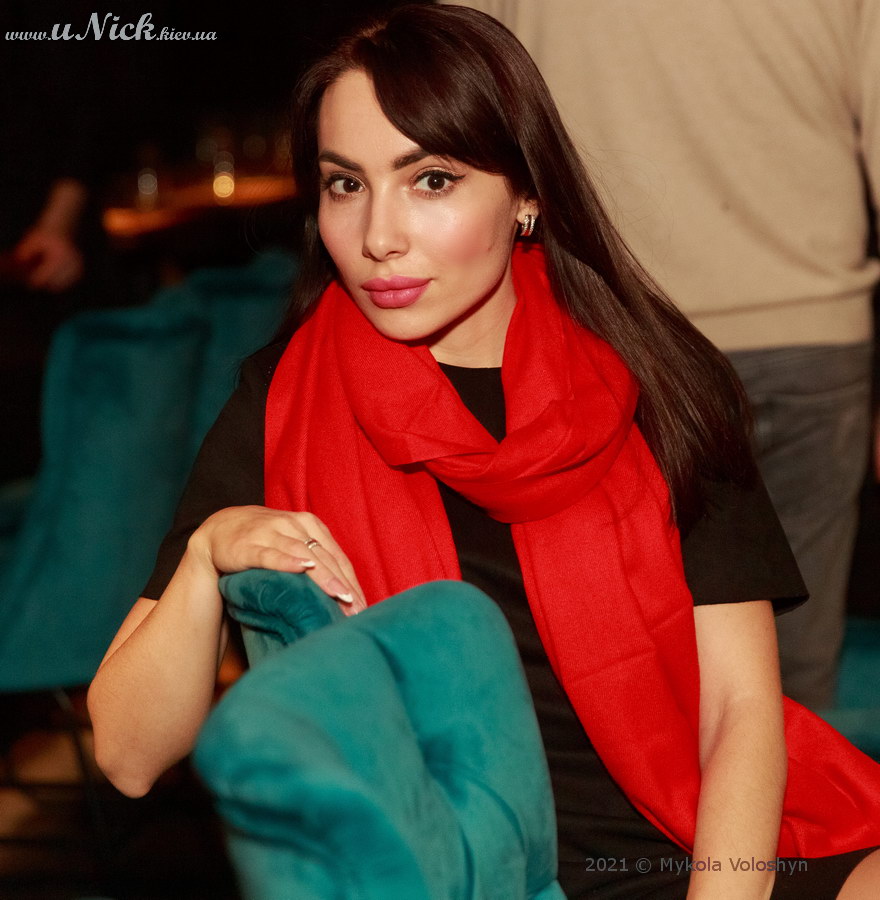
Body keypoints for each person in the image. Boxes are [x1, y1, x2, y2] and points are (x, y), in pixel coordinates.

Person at [88, 6, 880, 898]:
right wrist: (205, 556)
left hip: (700, 849)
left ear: (527, 195)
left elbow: (740, 711)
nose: (379, 236)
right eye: (346, 184)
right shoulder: (281, 402)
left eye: (431, 180)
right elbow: (126, 754)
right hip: (474, 873)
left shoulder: (658, 379)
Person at [444, 0, 880, 711]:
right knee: (793, 677)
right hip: (802, 330)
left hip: (610, 325)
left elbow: (444, 94)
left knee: (625, 669)